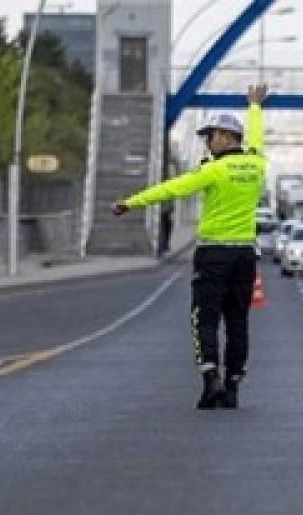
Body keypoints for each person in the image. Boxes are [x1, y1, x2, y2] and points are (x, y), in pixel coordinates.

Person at [112, 84, 269, 409]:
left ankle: (211, 378)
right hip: (244, 255)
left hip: (214, 254)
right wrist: (254, 107)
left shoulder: (212, 171)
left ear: (226, 137)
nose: (207, 142)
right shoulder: (257, 165)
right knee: (238, 321)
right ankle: (233, 385)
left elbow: (172, 189)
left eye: (210, 136)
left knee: (205, 319)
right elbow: (257, 138)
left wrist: (131, 202)